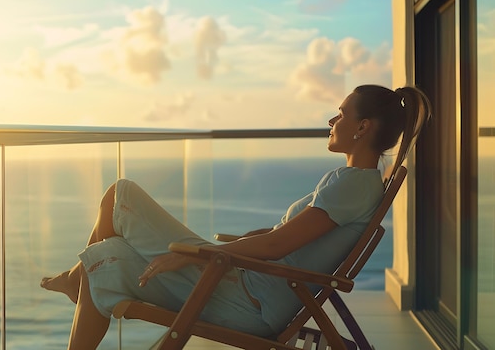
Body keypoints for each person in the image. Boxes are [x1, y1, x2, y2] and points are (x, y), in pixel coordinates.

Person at [40, 84, 431, 349]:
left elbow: (279, 244)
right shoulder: (353, 181)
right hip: (243, 282)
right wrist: (236, 244)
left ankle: (75, 280)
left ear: (362, 127)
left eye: (341, 114)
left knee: (119, 199)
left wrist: (198, 254)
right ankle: (78, 279)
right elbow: (286, 237)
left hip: (246, 298)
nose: (332, 121)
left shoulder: (354, 185)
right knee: (105, 255)